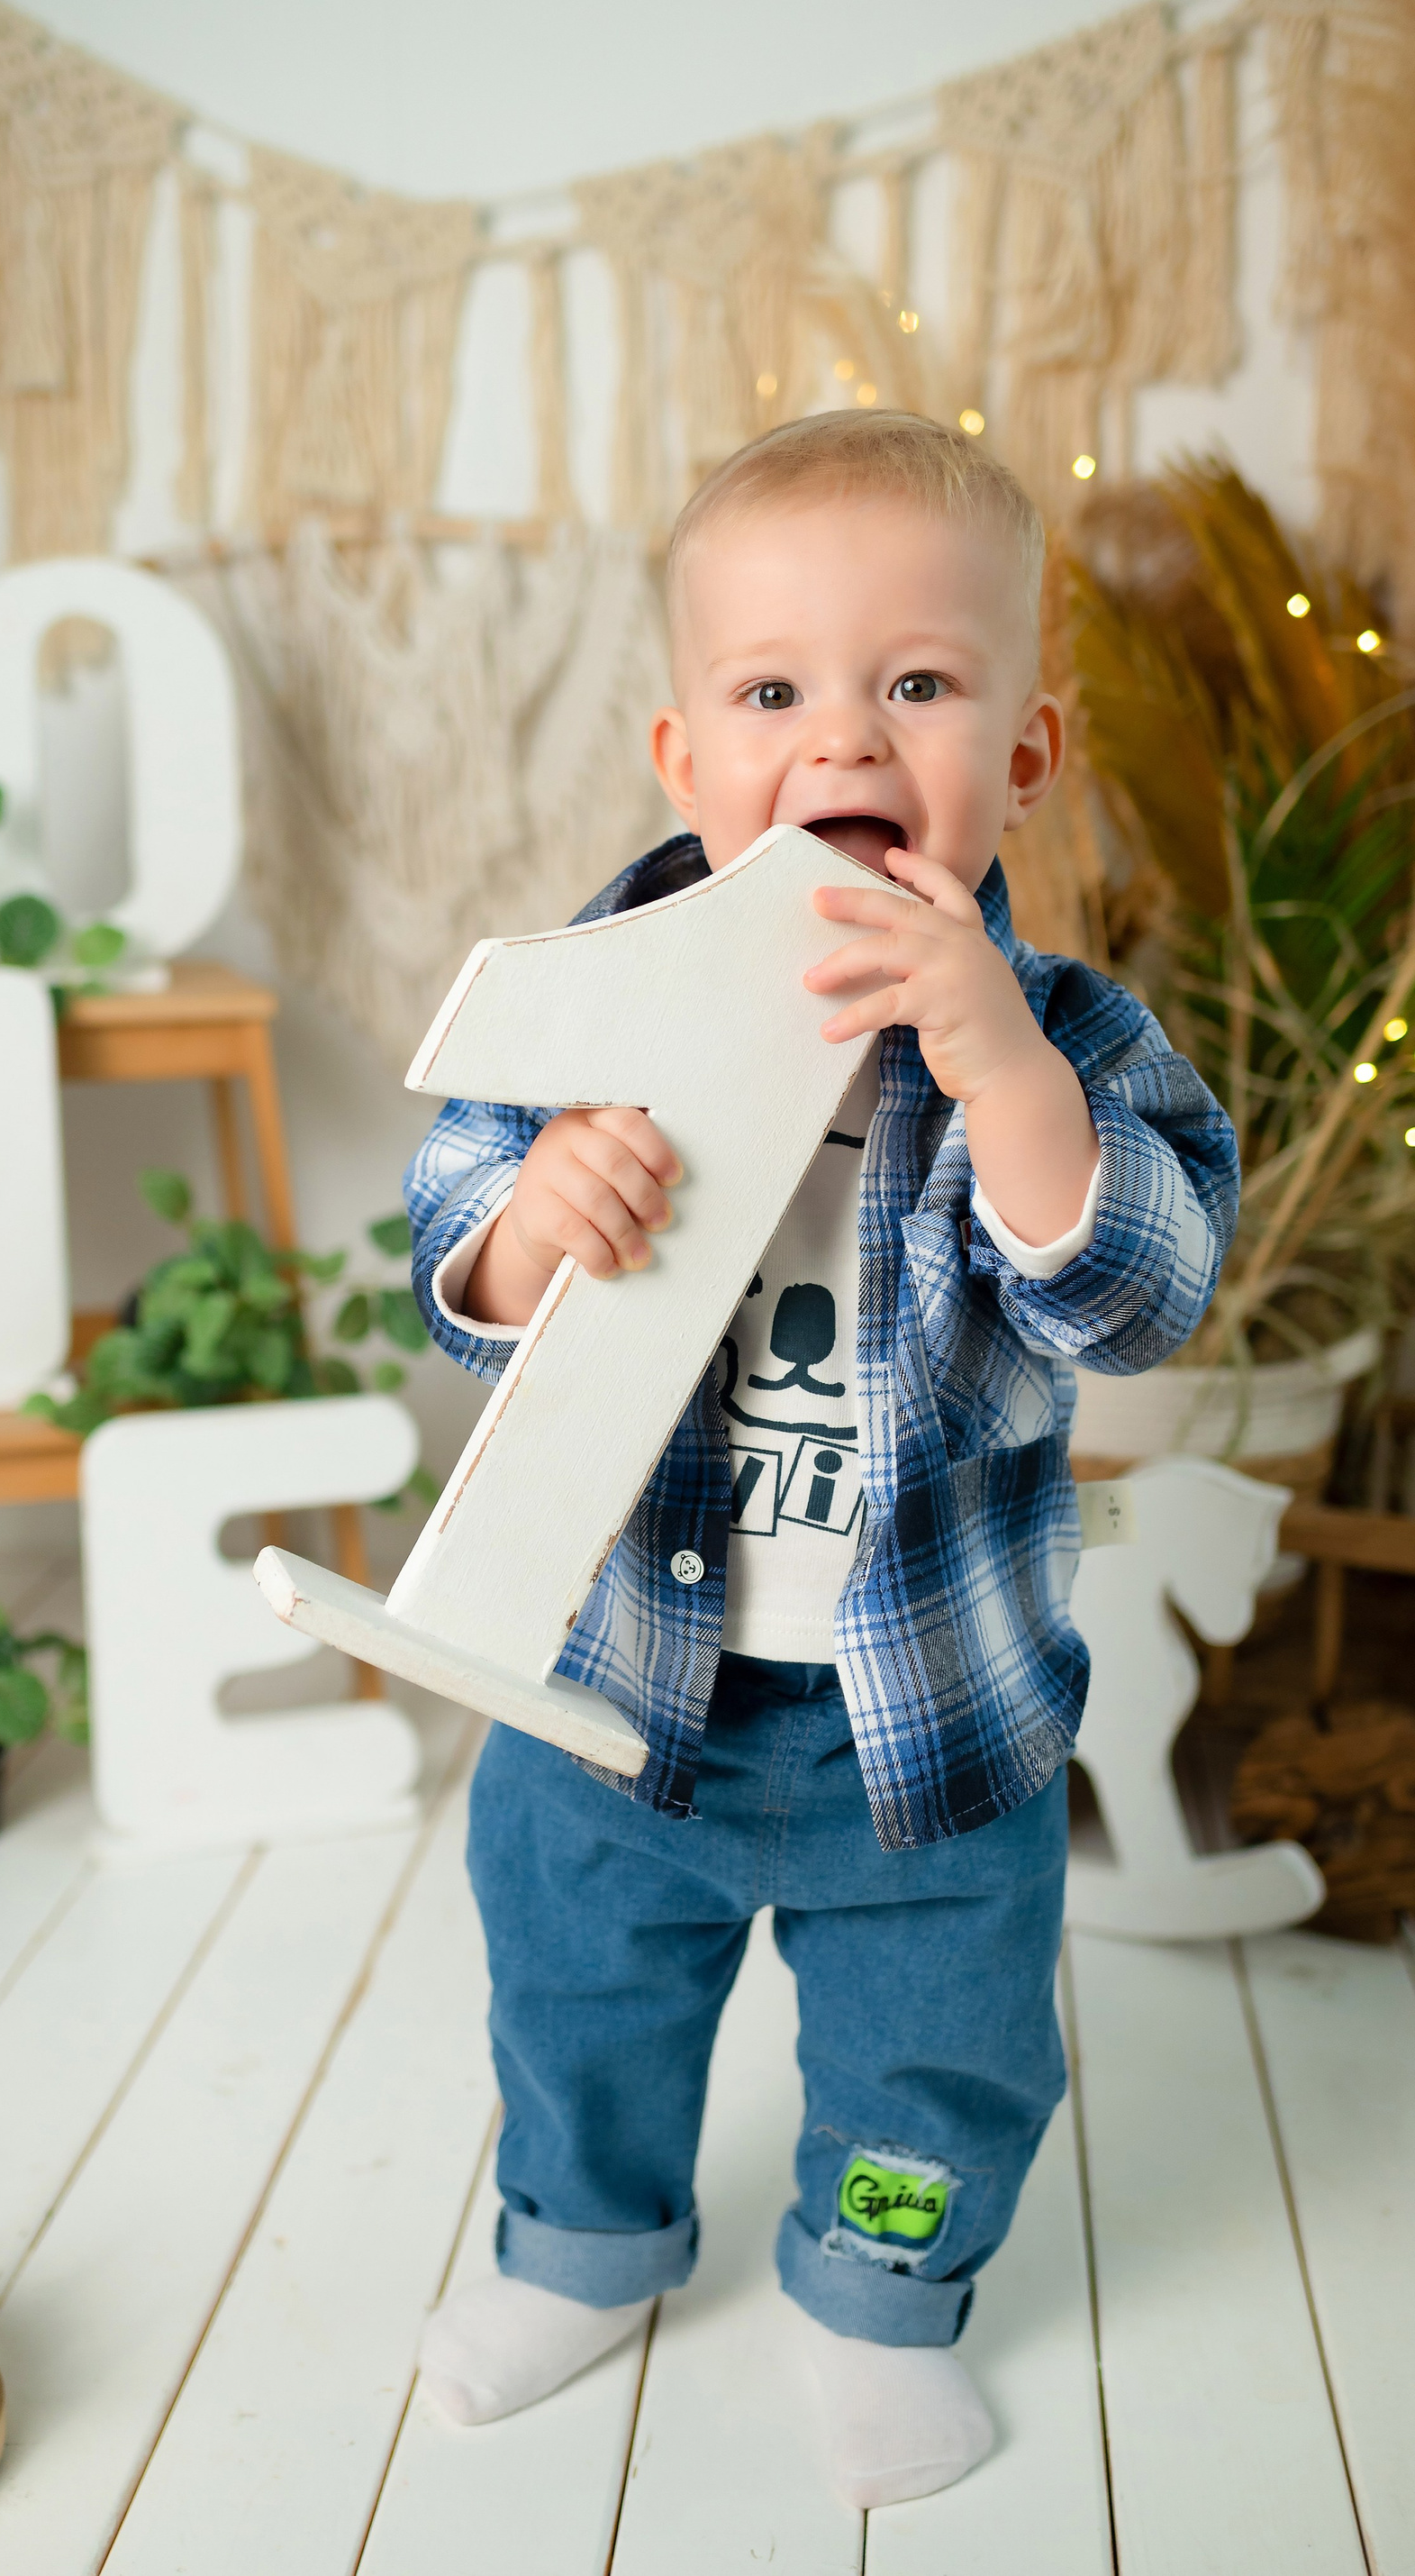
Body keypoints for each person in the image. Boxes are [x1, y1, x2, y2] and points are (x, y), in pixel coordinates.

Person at [402, 409, 1238, 2509]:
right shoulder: (596, 1000)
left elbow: (1137, 1291)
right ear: (685, 755)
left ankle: (880, 2295)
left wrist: (999, 1057)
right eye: (772, 692)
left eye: (918, 683)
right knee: (577, 1993)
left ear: (1025, 756)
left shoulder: (1070, 1037)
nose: (844, 734)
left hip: (924, 1725)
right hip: (611, 1690)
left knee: (938, 2042)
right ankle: (581, 2242)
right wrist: (531, 1219)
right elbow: (452, 1239)